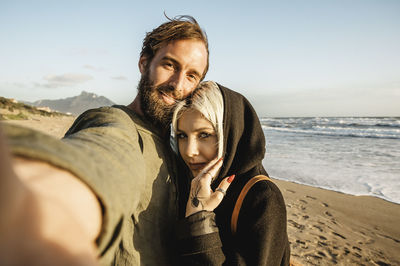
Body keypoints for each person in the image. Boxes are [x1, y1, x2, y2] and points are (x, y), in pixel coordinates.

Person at [0, 15, 208, 265]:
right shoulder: (115, 122)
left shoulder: (180, 146)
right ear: (144, 64)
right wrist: (43, 212)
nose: (177, 84)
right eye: (170, 65)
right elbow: (104, 154)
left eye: (191, 75)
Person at [171, 81, 291, 265]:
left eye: (204, 135)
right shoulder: (185, 182)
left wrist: (199, 220)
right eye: (182, 136)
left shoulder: (262, 198)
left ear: (231, 134)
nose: (189, 151)